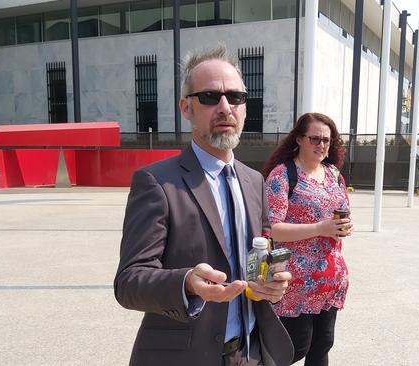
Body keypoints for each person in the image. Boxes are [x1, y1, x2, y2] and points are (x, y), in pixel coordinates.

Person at [114, 45, 294, 366]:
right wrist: (185, 283)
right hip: (186, 355)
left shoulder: (255, 182)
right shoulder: (156, 182)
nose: (225, 107)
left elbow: (262, 252)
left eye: (235, 97)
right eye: (210, 97)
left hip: (250, 352)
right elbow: (129, 281)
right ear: (186, 108)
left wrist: (271, 281)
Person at [262, 113, 352, 366]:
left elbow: (341, 213)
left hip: (330, 278)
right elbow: (273, 228)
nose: (321, 145)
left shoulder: (333, 175)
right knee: (296, 346)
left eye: (327, 140)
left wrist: (345, 226)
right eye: (315, 138)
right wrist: (319, 228)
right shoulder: (283, 176)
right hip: (295, 282)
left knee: (322, 345)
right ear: (300, 139)